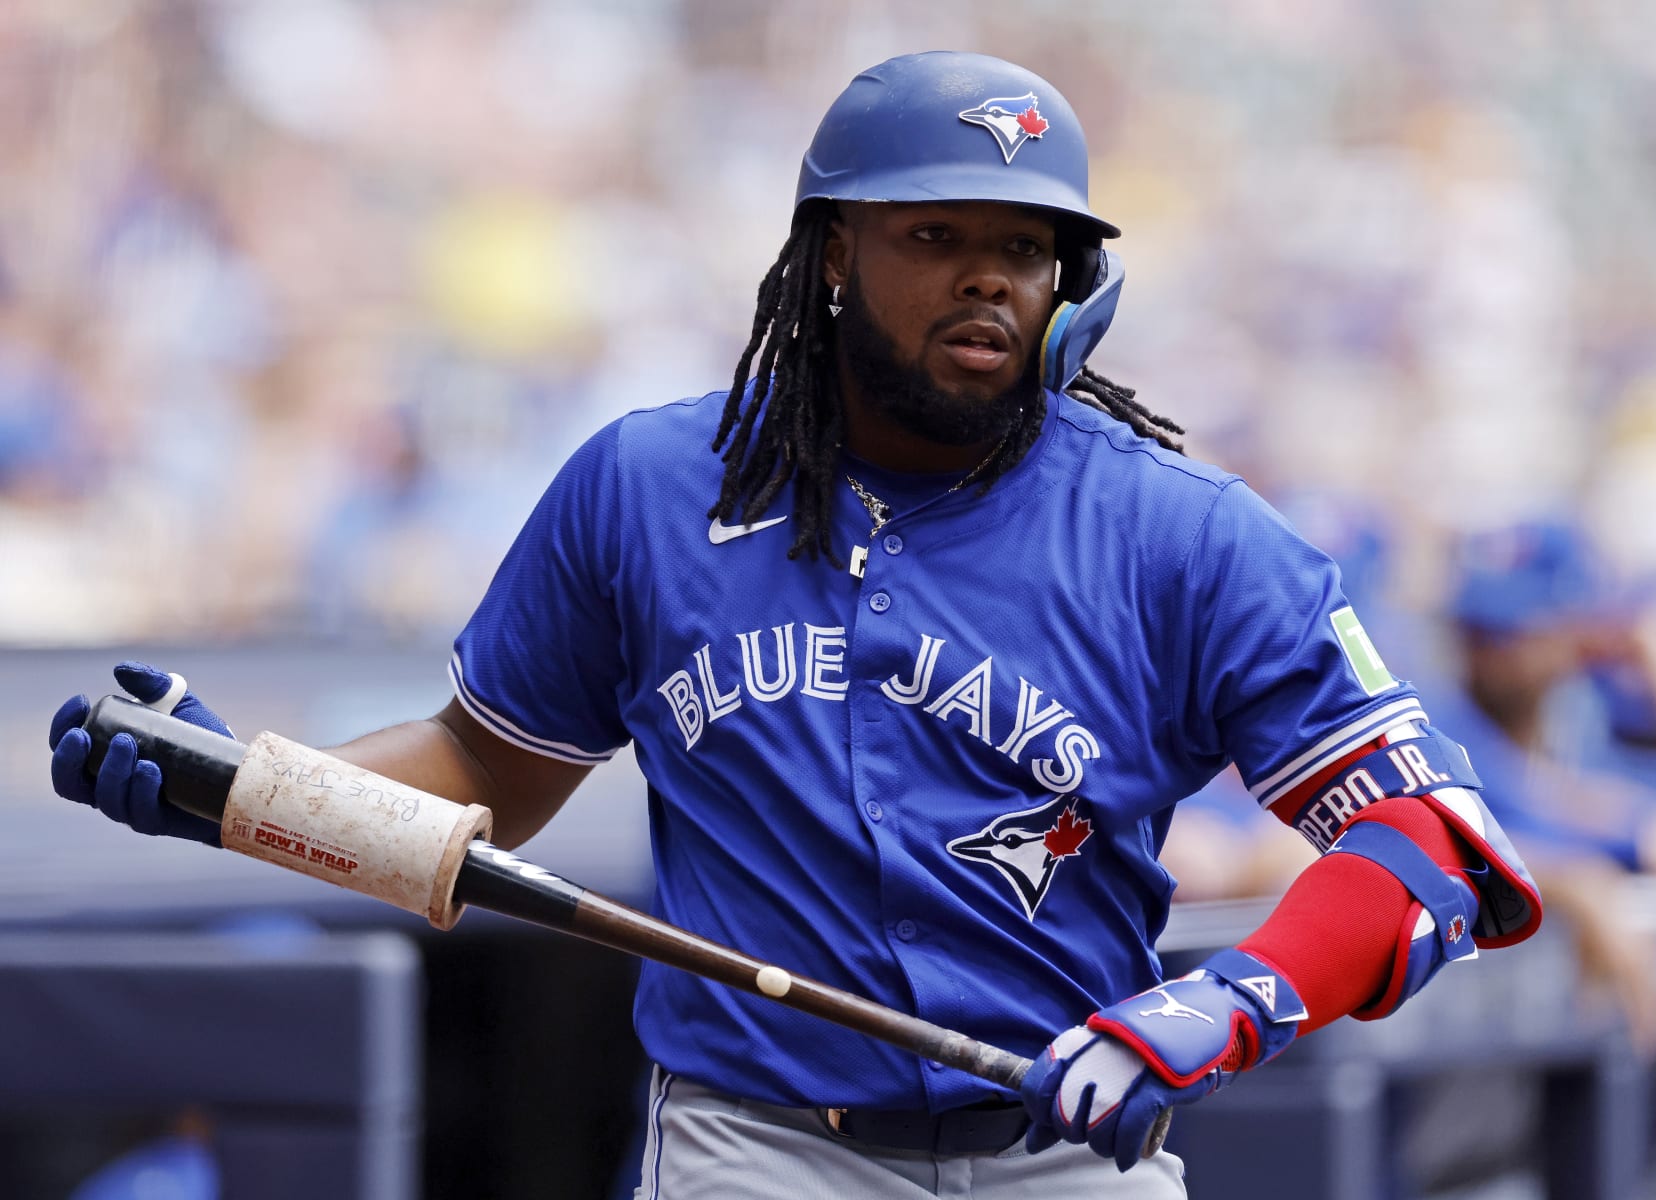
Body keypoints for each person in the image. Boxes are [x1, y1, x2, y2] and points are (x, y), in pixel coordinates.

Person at [48, 52, 1541, 1197]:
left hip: (1066, 1143)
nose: (988, 279)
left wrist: (1229, 1005)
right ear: (831, 253)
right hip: (760, 1150)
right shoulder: (643, 489)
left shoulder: (1185, 531)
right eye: (937, 232)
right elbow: (484, 781)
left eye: (1028, 250)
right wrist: (243, 794)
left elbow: (1439, 848)